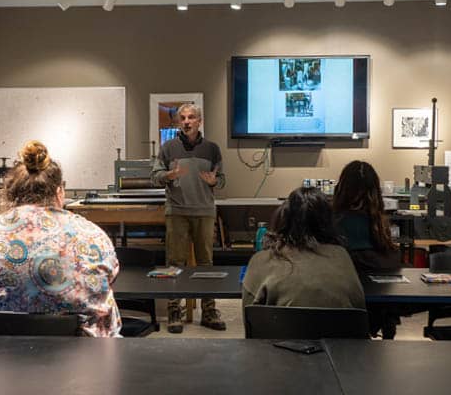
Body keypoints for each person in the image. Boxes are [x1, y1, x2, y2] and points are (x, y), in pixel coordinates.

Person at [0, 141, 121, 337]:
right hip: (79, 361)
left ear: (10, 194)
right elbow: (106, 282)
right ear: (59, 192)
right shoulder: (91, 235)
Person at [151, 103, 226, 334]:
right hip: (177, 211)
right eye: (182, 118)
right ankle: (175, 311)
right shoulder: (168, 148)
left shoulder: (212, 149)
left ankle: (209, 311)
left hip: (204, 211)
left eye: (191, 117)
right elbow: (155, 176)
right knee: (175, 264)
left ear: (199, 121)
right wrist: (168, 175)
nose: (186, 121)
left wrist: (214, 182)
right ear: (178, 122)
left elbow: (221, 180)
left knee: (206, 265)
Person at [242, 187, 365, 311]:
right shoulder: (341, 256)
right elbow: (359, 305)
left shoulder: (262, 259)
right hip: (340, 329)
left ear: (283, 217)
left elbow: (250, 316)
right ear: (328, 222)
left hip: (281, 329)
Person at [332, 161, 402, 338]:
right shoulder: (378, 225)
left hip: (336, 312)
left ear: (341, 188)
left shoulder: (331, 223)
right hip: (374, 313)